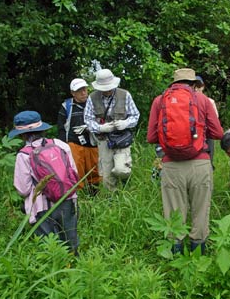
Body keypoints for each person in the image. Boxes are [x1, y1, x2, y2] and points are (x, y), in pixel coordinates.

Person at [147, 68, 223, 254]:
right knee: (200, 211)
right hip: (200, 163)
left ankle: (176, 256)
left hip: (171, 165)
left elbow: (151, 137)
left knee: (174, 213)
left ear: (173, 83)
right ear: (194, 84)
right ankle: (198, 253)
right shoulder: (202, 100)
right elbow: (218, 133)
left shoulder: (160, 100)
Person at [9, 111, 79, 254]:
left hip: (42, 206)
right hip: (68, 199)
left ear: (22, 134)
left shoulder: (24, 155)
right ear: (42, 129)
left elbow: (23, 189)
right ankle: (75, 264)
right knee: (70, 240)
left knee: (49, 246)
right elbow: (74, 174)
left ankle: (54, 272)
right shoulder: (60, 144)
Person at [84, 69, 140, 191]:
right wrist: (99, 127)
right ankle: (113, 200)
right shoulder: (92, 98)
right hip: (103, 140)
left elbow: (135, 115)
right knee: (107, 176)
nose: (107, 90)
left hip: (121, 139)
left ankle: (125, 183)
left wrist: (125, 123)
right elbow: (87, 120)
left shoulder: (125, 95)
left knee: (121, 170)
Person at [57, 78, 101, 194]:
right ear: (73, 93)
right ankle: (79, 198)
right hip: (74, 144)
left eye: (85, 89)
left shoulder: (94, 104)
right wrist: (63, 147)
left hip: (93, 143)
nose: (83, 93)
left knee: (95, 172)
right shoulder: (67, 106)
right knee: (77, 171)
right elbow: (61, 128)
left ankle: (94, 197)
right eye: (79, 90)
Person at [195, 76, 219, 168]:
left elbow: (214, 122)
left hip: (206, 134)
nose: (197, 88)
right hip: (194, 134)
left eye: (199, 86)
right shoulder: (187, 100)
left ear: (203, 87)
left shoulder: (210, 101)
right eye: (195, 86)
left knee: (208, 162)